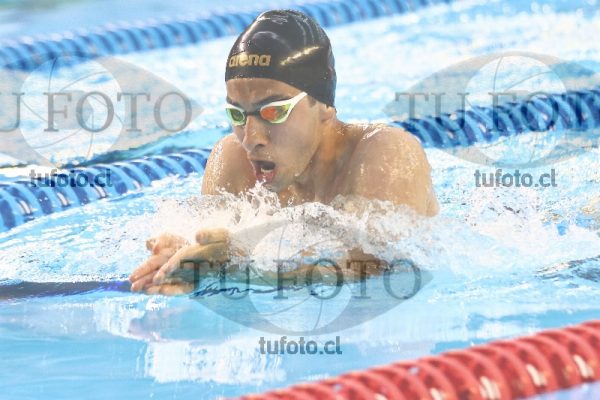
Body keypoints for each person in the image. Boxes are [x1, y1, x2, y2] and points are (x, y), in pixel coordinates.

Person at [129, 9, 438, 295]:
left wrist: (239, 265)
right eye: (237, 114)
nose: (250, 139)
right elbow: (215, 246)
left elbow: (375, 265)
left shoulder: (386, 152)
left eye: (273, 112)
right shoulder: (232, 159)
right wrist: (185, 255)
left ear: (323, 106)